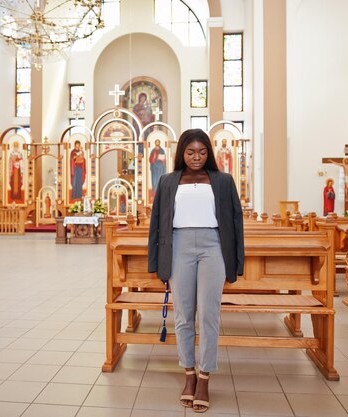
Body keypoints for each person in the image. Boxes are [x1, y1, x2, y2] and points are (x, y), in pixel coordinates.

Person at [148, 128, 244, 413]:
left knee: (209, 313)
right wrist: (155, 262)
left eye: (202, 152)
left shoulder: (223, 181)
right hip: (178, 245)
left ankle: (205, 376)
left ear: (210, 152)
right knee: (183, 314)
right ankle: (188, 373)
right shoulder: (167, 181)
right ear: (181, 153)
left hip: (213, 245)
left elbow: (236, 221)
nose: (196, 157)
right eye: (190, 152)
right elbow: (157, 223)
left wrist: (237, 262)